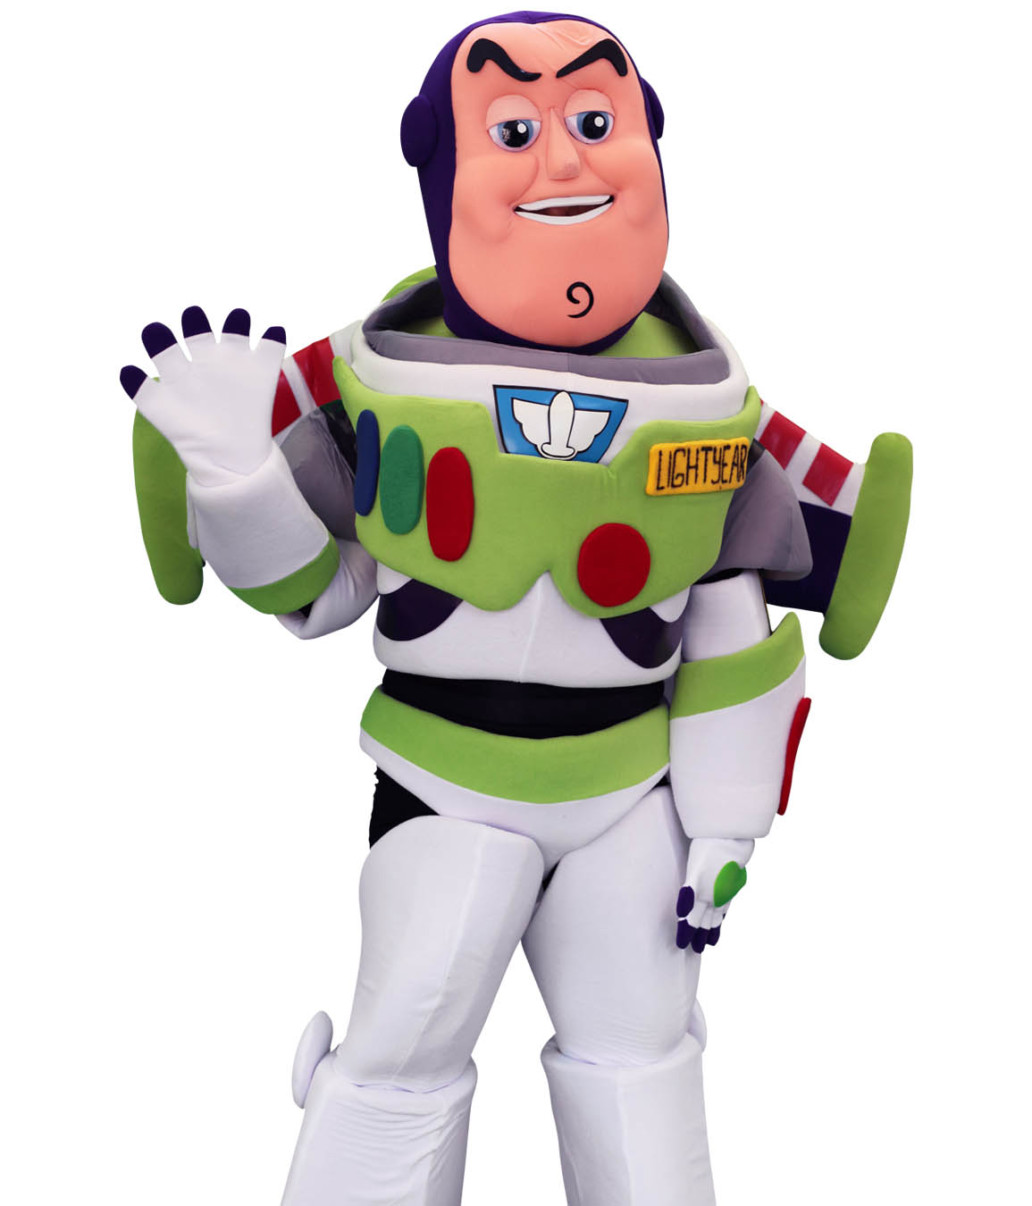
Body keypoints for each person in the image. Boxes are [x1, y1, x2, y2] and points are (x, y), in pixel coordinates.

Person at [121, 13, 910, 1205]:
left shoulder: (708, 407)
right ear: (442, 167)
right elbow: (320, 591)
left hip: (631, 793)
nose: (565, 159)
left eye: (595, 120)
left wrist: (728, 822)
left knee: (640, 1053)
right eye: (515, 130)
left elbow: (729, 623)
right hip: (445, 779)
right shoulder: (381, 384)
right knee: (403, 1048)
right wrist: (239, 486)